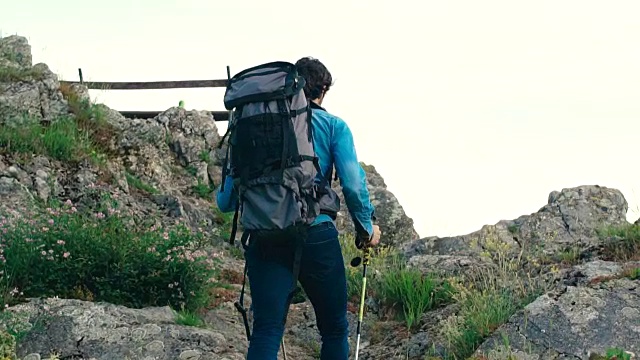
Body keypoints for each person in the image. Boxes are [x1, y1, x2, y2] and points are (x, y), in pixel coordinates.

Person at [216, 56, 381, 360]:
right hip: (316, 233)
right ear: (323, 90)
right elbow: (353, 185)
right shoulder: (334, 126)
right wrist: (367, 229)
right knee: (333, 329)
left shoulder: (253, 122)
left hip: (264, 236)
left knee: (266, 329)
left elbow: (225, 202)